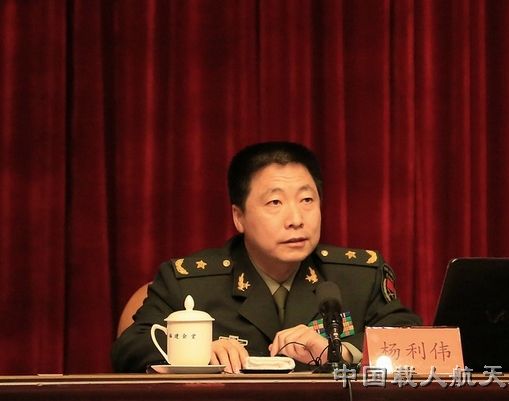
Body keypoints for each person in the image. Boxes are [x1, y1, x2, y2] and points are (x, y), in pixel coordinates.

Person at [112, 141, 421, 373]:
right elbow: (130, 347)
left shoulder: (358, 276)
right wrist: (196, 352)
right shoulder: (189, 282)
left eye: (307, 200)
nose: (296, 219)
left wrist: (338, 351)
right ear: (239, 217)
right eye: (275, 202)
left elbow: (412, 342)